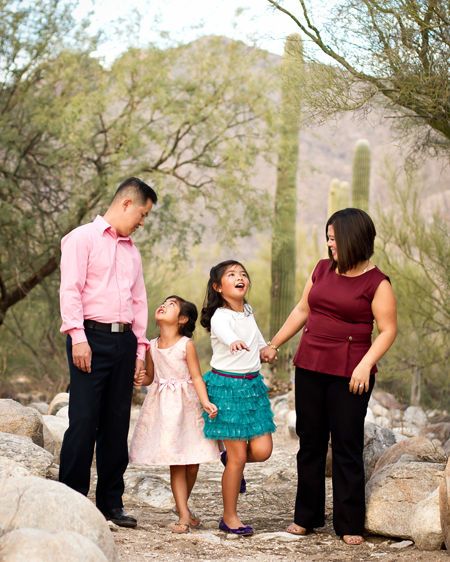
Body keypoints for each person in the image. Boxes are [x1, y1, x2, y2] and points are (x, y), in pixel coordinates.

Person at [261, 208, 397, 545]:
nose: (329, 243)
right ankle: (306, 516)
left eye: (334, 238)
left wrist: (365, 364)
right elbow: (301, 310)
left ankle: (349, 522)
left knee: (346, 445)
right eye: (328, 237)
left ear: (353, 239)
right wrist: (275, 343)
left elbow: (388, 330)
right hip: (309, 364)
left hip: (351, 373)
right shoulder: (322, 269)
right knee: (310, 442)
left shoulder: (377, 283)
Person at [59, 177, 157, 528]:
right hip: (90, 338)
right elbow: (70, 290)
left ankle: (110, 504)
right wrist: (77, 335)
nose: (142, 222)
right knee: (83, 421)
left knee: (116, 426)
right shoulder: (80, 239)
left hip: (124, 341)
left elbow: (139, 300)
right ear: (127, 203)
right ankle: (70, 499)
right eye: (143, 214)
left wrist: (140, 350)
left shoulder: (132, 250)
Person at [130, 295, 220, 533]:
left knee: (192, 463)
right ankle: (183, 514)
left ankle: (184, 508)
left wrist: (206, 402)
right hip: (163, 409)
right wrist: (142, 378)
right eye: (163, 303)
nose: (163, 305)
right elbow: (151, 376)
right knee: (176, 463)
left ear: (182, 319)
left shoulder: (185, 345)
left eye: (171, 305)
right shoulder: (151, 345)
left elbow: (197, 377)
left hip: (187, 406)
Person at [200, 260, 276, 536]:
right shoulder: (221, 315)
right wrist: (233, 341)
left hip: (252, 387)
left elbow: (255, 336)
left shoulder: (247, 311)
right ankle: (229, 517)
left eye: (243, 273)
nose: (239, 277)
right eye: (231, 275)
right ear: (218, 287)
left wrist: (265, 347)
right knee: (238, 458)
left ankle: (231, 459)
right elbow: (225, 332)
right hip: (227, 389)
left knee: (262, 450)